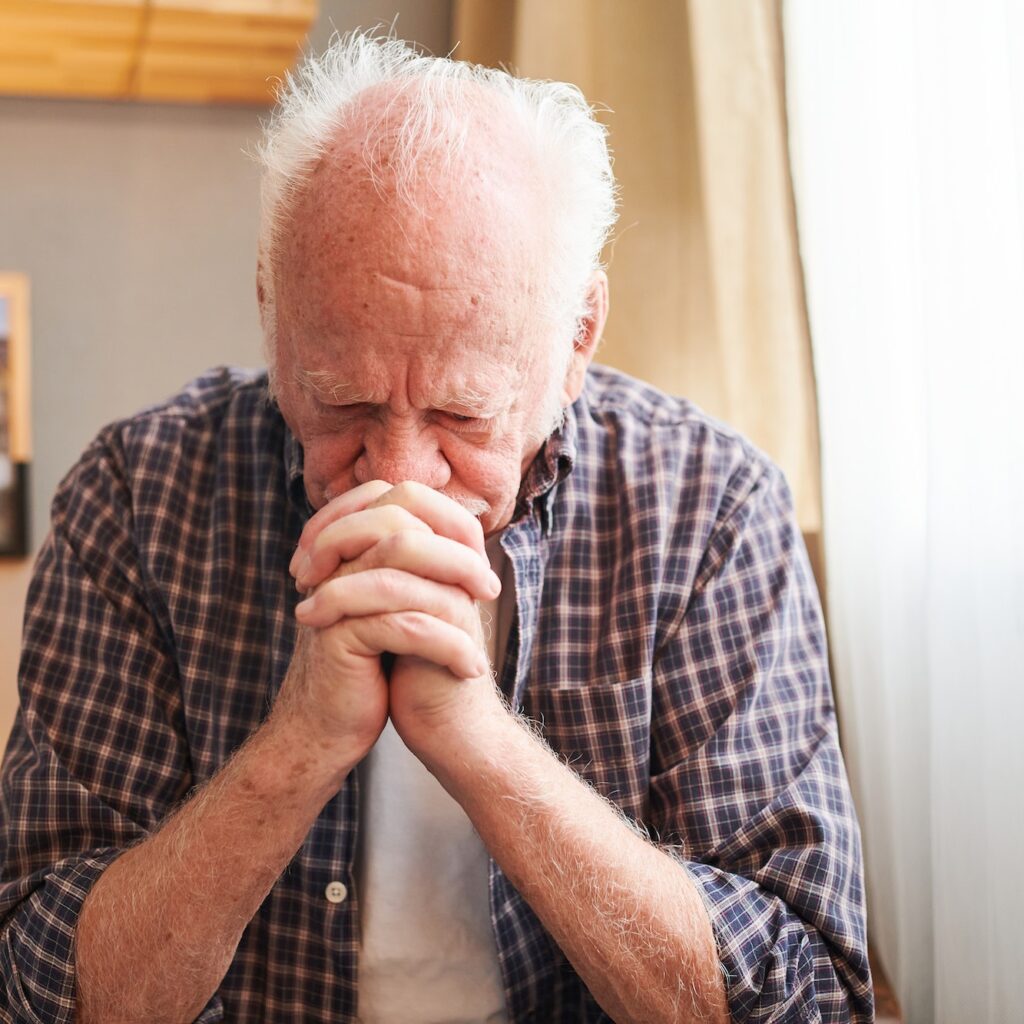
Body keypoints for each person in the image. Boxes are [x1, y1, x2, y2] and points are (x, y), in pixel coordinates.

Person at [0, 32, 873, 1024]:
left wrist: (480, 746)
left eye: (462, 415)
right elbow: (36, 986)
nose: (400, 476)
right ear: (269, 306)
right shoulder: (135, 496)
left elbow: (807, 1000)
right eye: (343, 404)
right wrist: (297, 747)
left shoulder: (708, 511)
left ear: (577, 334)